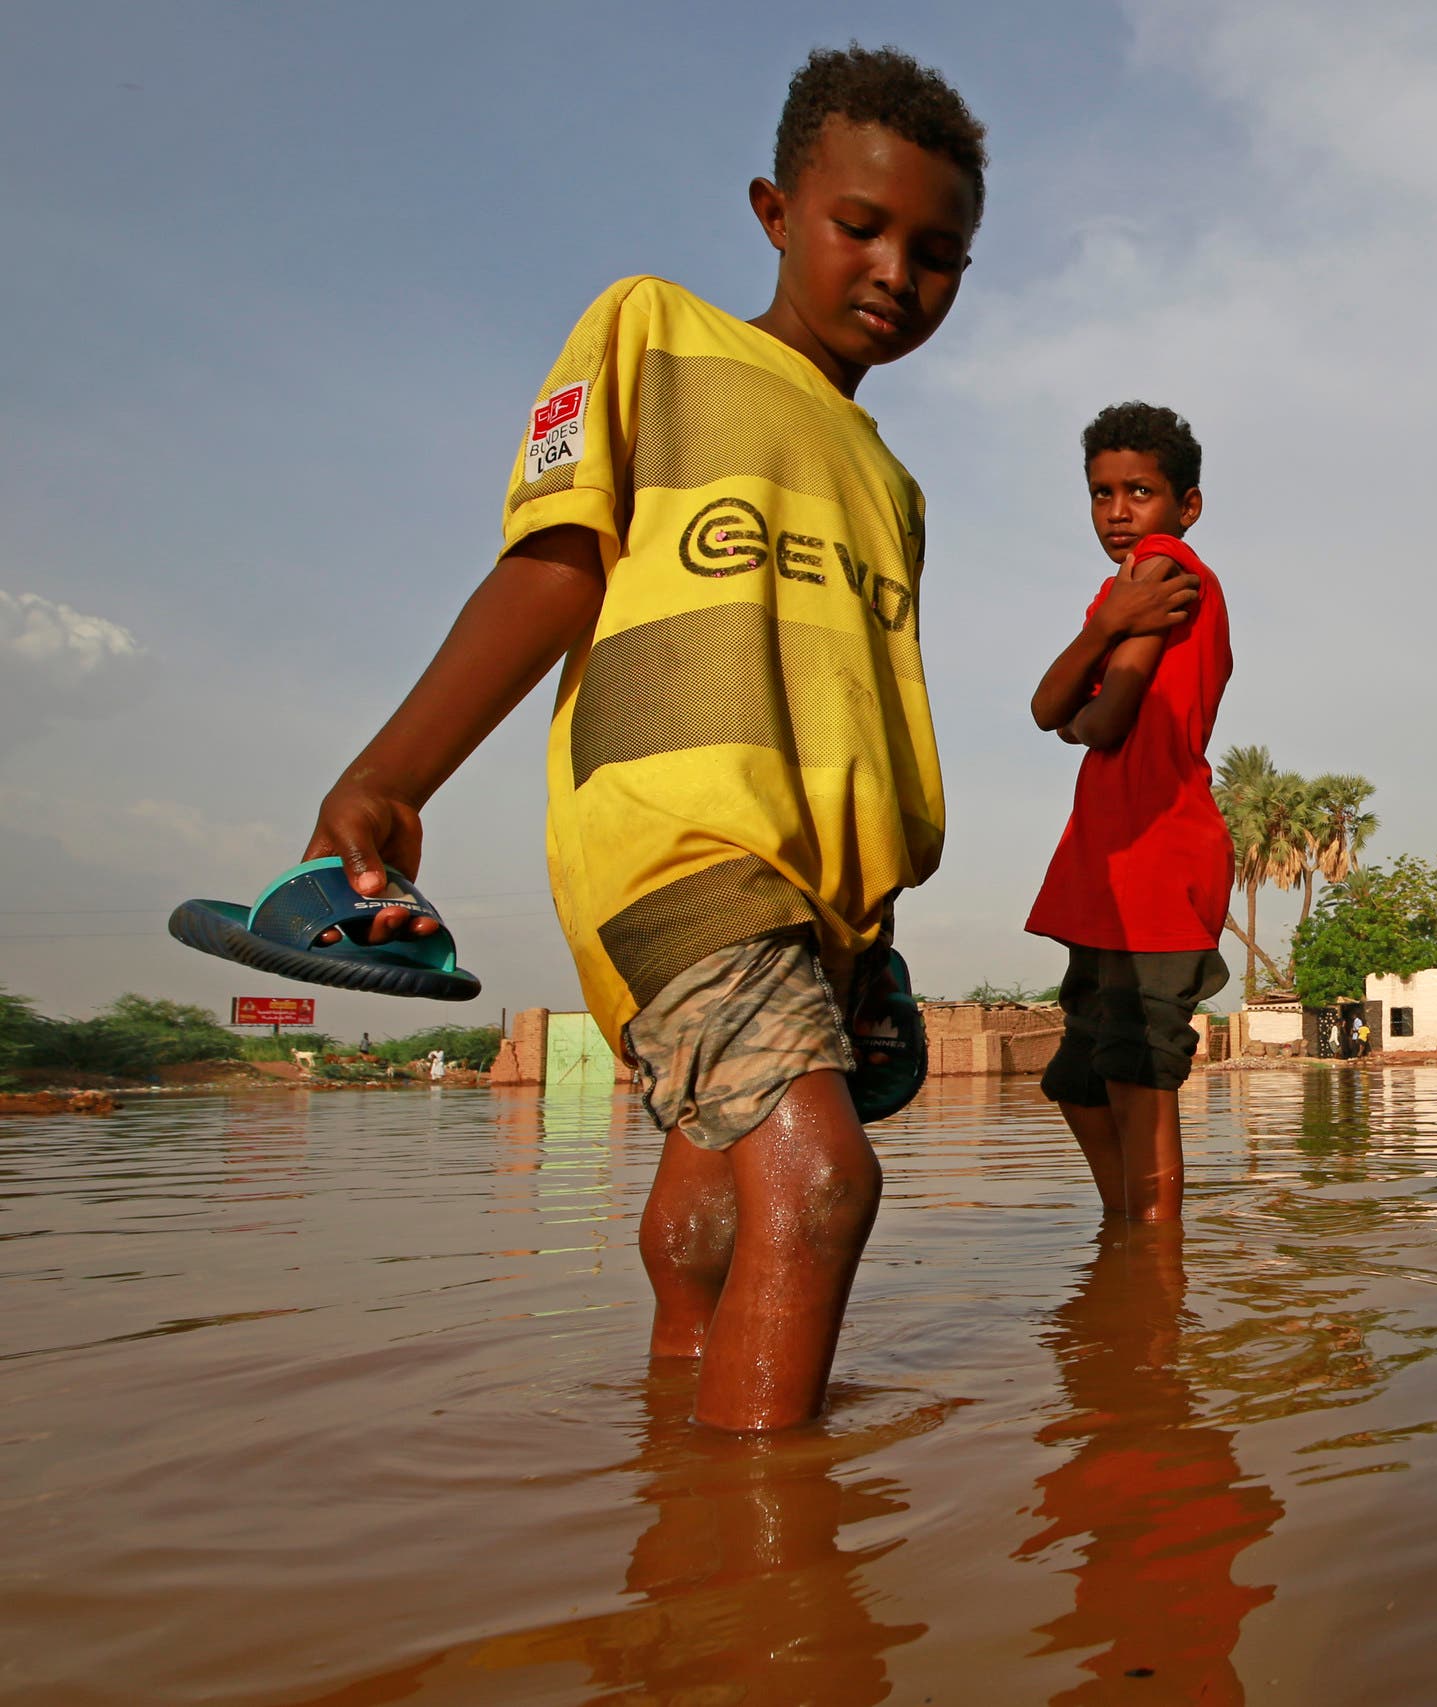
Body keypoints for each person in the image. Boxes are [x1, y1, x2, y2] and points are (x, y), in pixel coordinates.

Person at [294, 43, 988, 1428]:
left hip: (827, 899)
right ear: (774, 210)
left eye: (940, 251)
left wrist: (877, 937)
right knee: (820, 1178)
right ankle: (758, 1594)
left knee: (719, 1204)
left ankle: (673, 1464)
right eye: (862, 226)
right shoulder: (652, 333)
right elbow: (554, 564)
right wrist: (388, 773)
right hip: (672, 843)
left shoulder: (894, 481)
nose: (897, 273)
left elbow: (863, 710)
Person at [1026, 403, 1233, 1221]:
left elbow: (1092, 717)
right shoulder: (1120, 596)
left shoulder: (1163, 565)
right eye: (1102, 493)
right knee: (1082, 1079)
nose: (1118, 512)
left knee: (1139, 1079)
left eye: (1140, 490)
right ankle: (1131, 1255)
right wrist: (1107, 628)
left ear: (1186, 505)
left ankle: (1151, 1290)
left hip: (1158, 855)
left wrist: (1085, 700)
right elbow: (1050, 706)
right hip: (1109, 861)